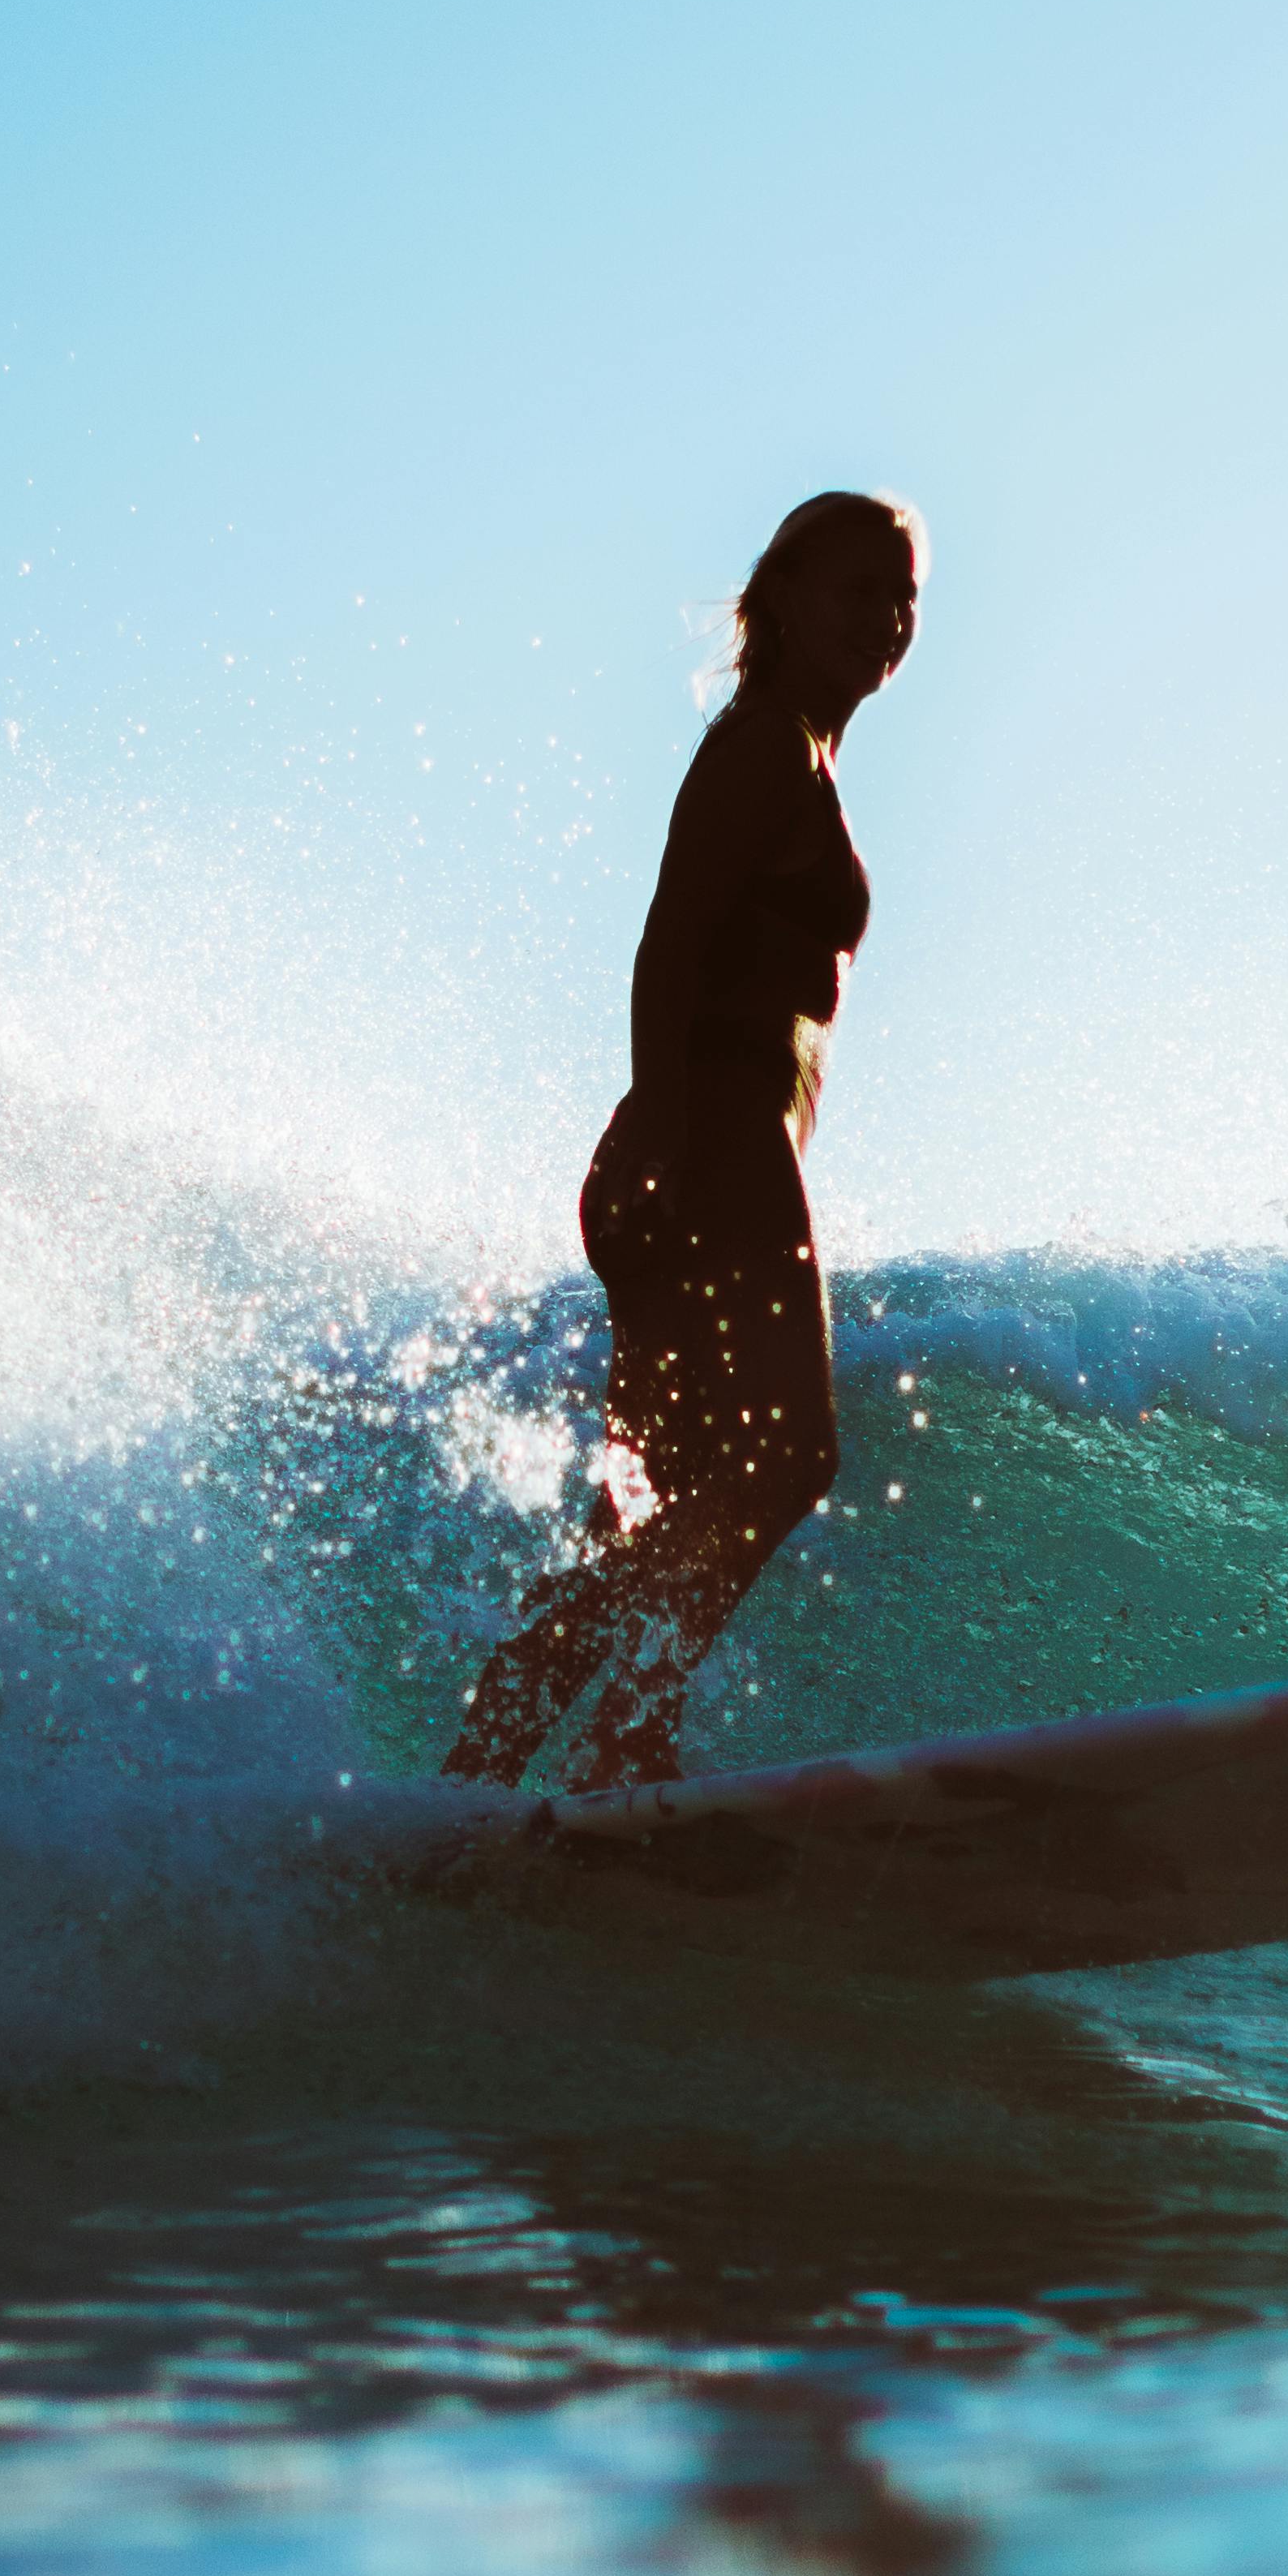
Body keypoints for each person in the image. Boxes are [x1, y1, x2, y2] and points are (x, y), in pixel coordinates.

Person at [444, 487, 924, 1790]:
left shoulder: (795, 750)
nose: (885, 618)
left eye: (905, 597)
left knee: (649, 1502)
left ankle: (490, 1767)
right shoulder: (766, 745)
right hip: (707, 1134)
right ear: (778, 597)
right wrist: (666, 1135)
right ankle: (622, 1738)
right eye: (858, 588)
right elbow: (669, 941)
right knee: (790, 1457)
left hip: (690, 1141)